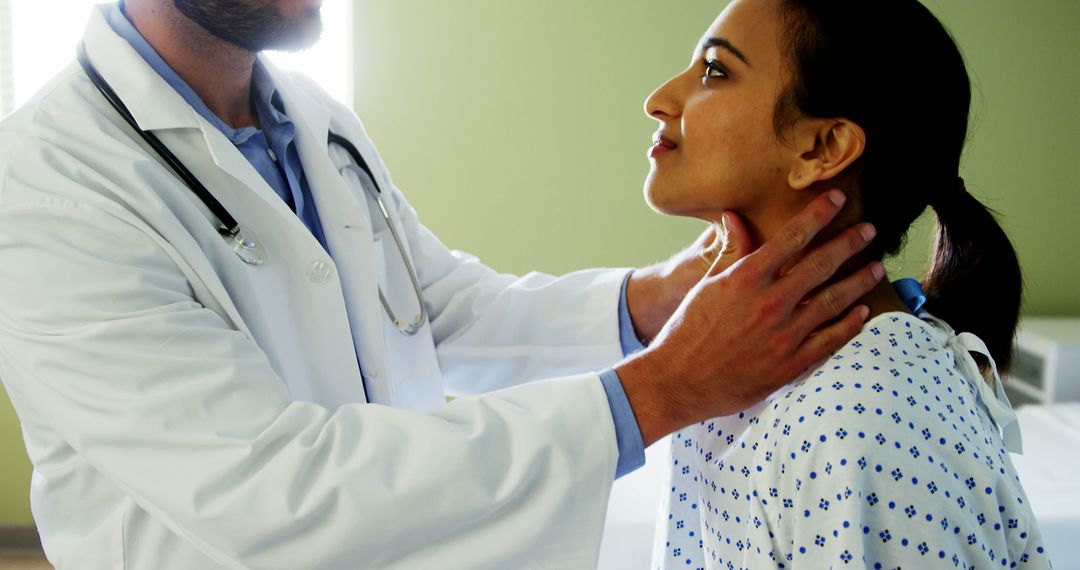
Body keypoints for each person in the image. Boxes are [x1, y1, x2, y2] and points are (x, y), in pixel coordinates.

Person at [0, 0, 884, 568]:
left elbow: (436, 309)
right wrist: (663, 389)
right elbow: (266, 492)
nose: (664, 99)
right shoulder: (45, 185)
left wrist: (649, 301)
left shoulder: (314, 120)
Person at [646, 0, 1052, 568]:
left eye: (715, 70)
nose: (658, 100)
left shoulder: (858, 429)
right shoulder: (749, 368)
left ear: (822, 149)